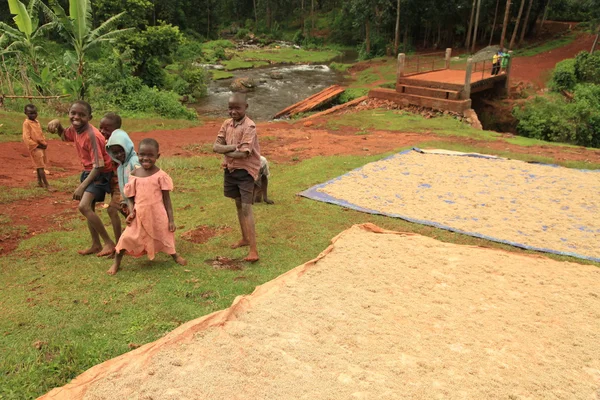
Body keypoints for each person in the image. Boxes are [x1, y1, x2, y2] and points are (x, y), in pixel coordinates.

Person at [108, 138, 187, 275]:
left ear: (158, 156)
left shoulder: (161, 176)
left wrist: (171, 220)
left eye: (150, 155)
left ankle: (174, 255)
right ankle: (116, 262)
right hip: (139, 214)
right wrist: (132, 211)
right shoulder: (134, 175)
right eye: (142, 154)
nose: (146, 158)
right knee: (126, 238)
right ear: (137, 155)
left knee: (165, 235)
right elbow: (130, 197)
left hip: (158, 214)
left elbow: (167, 200)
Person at [47, 101, 116, 257]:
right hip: (89, 171)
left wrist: (82, 186)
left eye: (81, 114)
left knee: (83, 207)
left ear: (89, 117)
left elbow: (99, 166)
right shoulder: (76, 129)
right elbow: (65, 136)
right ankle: (96, 244)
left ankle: (109, 242)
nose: (76, 117)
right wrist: (57, 125)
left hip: (100, 173)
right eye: (73, 113)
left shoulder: (92, 135)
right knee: (89, 208)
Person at [213, 93, 261, 262]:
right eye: (230, 108)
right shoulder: (226, 124)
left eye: (237, 108)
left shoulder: (250, 126)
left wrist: (226, 149)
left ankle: (253, 250)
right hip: (231, 170)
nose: (233, 111)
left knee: (247, 208)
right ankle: (245, 238)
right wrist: (232, 147)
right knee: (238, 204)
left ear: (246, 107)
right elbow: (215, 147)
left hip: (246, 172)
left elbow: (243, 154)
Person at [99, 112, 128, 242]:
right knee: (125, 211)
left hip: (122, 183)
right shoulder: (107, 142)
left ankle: (119, 245)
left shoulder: (118, 145)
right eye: (101, 128)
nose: (102, 131)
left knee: (112, 210)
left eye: (107, 129)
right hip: (114, 183)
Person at [106, 126, 141, 218]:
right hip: (129, 203)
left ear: (127, 146)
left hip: (140, 203)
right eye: (115, 153)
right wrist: (124, 201)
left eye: (121, 150)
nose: (119, 154)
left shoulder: (134, 161)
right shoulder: (120, 167)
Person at [22, 104, 51, 190]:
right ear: (25, 113)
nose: (33, 115)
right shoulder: (26, 123)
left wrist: (44, 143)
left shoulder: (37, 122)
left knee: (39, 165)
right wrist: (37, 145)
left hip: (41, 146)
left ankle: (39, 182)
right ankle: (47, 185)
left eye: (35, 113)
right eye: (30, 113)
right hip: (35, 147)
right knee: (41, 166)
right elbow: (26, 138)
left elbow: (40, 134)